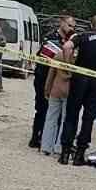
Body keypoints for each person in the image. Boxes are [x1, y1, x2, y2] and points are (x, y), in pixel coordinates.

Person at [59, 13, 96, 166]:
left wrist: (68, 65)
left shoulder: (83, 35)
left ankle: (64, 153)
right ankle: (79, 155)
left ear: (91, 24)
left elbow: (67, 46)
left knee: (71, 115)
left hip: (79, 80)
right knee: (88, 119)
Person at [30, 14, 74, 147]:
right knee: (42, 109)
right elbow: (45, 63)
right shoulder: (51, 38)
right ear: (61, 23)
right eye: (69, 25)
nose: (71, 28)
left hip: (56, 81)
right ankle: (36, 138)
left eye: (73, 26)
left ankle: (50, 138)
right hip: (43, 78)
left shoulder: (69, 41)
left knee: (56, 112)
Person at [39, 23, 76, 157]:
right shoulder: (76, 59)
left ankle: (45, 146)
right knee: (65, 120)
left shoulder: (58, 55)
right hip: (69, 93)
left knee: (50, 119)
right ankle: (60, 147)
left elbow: (50, 75)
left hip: (55, 90)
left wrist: (46, 89)